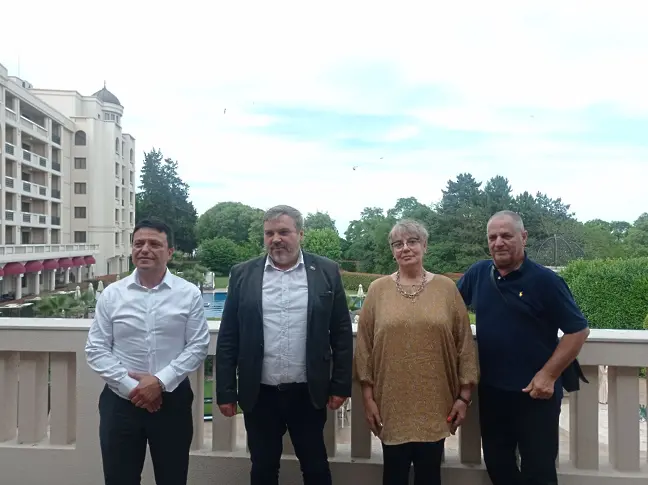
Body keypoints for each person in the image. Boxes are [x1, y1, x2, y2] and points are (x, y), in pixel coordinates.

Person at [215, 205, 353, 485]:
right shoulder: (242, 274)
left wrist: (340, 386)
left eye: (284, 232)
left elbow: (340, 332)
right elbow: (229, 335)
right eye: (269, 233)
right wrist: (226, 390)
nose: (276, 239)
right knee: (263, 468)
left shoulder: (325, 271)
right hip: (260, 393)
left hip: (308, 392)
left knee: (315, 467)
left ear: (300, 234)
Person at [457, 210, 590, 485]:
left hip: (536, 394)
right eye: (492, 237)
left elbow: (578, 330)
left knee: (539, 472)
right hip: (493, 393)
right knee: (498, 466)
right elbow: (446, 311)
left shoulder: (546, 281)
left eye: (506, 236)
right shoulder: (478, 274)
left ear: (524, 237)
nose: (498, 242)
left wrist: (549, 375)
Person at [85, 218, 210, 485]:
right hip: (121, 403)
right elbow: (96, 349)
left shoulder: (188, 294)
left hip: (172, 402)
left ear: (170, 252)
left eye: (154, 244)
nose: (144, 249)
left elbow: (198, 345)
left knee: (173, 478)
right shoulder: (112, 294)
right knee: (119, 479)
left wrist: (159, 382)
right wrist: (134, 388)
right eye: (138, 243)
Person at [354, 219, 479, 485]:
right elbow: (364, 346)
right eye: (397, 244)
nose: (405, 248)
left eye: (412, 241)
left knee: (429, 475)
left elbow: (465, 344)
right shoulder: (378, 290)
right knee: (394, 475)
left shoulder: (446, 289)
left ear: (425, 246)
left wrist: (464, 396)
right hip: (391, 402)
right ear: (392, 251)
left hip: (436, 403)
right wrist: (368, 398)